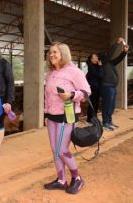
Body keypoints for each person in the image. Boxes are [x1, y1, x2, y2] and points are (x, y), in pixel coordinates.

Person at [44, 42, 91, 194]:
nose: (51, 55)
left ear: (63, 53)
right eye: (50, 52)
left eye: (55, 52)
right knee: (55, 150)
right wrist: (46, 113)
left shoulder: (74, 71)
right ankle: (61, 180)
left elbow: (86, 92)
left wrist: (71, 95)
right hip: (52, 116)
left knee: (62, 149)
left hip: (67, 114)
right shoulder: (50, 73)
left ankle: (77, 178)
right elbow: (48, 96)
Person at [100, 37, 129, 131]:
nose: (107, 55)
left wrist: (124, 52)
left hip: (112, 86)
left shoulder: (110, 63)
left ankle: (109, 121)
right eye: (105, 55)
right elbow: (110, 53)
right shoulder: (104, 62)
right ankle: (105, 123)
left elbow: (119, 58)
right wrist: (117, 43)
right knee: (107, 105)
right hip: (107, 86)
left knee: (112, 105)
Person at [85, 53, 103, 123]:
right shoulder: (91, 67)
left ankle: (93, 118)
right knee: (92, 104)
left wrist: (100, 66)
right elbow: (100, 75)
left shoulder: (96, 66)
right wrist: (100, 66)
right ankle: (89, 119)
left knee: (96, 104)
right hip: (93, 88)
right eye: (95, 56)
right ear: (92, 60)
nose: (97, 57)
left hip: (97, 88)